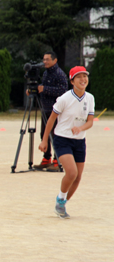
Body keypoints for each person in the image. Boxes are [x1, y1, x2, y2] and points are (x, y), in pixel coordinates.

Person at [38, 66, 94, 219]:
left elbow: (90, 122)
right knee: (71, 172)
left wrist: (80, 128)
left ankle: (62, 204)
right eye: (79, 77)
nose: (83, 79)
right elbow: (51, 119)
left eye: (85, 76)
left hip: (80, 142)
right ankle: (60, 198)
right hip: (62, 139)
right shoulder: (64, 98)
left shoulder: (90, 98)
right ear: (72, 81)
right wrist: (44, 140)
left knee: (78, 177)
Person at [33, 51, 68, 170]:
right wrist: (35, 91)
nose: (45, 62)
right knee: (44, 134)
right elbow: (43, 90)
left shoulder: (60, 74)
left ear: (55, 60)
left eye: (47, 59)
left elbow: (63, 91)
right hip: (45, 108)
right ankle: (46, 158)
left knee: (55, 135)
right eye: (44, 59)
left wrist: (45, 89)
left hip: (56, 110)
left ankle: (57, 160)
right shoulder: (45, 73)